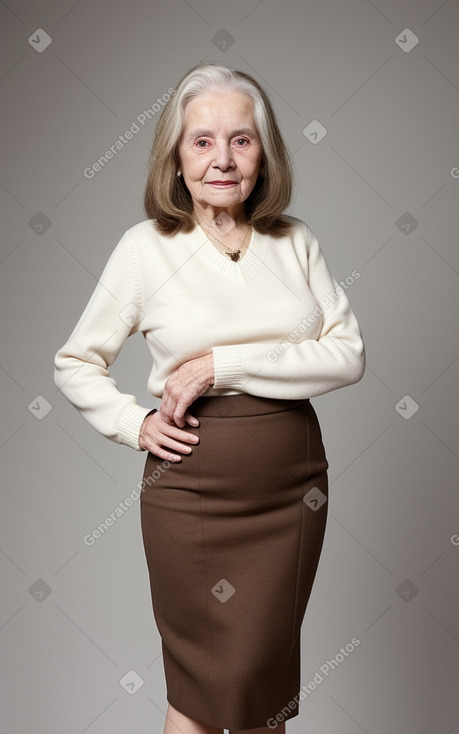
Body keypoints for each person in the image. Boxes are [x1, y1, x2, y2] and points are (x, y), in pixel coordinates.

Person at [53, 62, 365, 734]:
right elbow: (76, 362)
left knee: (264, 687)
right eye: (201, 140)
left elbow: (347, 355)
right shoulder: (144, 249)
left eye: (241, 140)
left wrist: (224, 364)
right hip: (188, 497)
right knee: (198, 691)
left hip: (291, 496)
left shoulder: (295, 242)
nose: (222, 159)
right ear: (174, 155)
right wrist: (132, 425)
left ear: (264, 153)